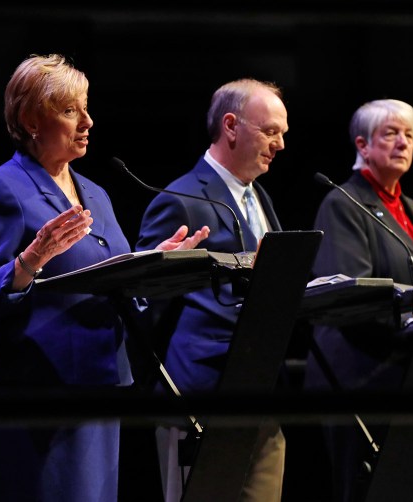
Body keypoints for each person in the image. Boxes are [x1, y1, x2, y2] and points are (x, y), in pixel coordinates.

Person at [0, 53, 208, 502]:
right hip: (34, 393)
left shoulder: (96, 193)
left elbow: (110, 280)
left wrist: (153, 267)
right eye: (71, 110)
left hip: (99, 383)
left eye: (87, 108)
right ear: (31, 119)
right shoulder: (0, 188)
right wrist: (31, 259)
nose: (89, 122)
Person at [135, 78, 288, 502]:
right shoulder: (180, 199)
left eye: (283, 134)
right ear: (231, 126)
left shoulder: (262, 199)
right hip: (198, 400)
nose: (280, 145)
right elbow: (142, 301)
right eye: (270, 131)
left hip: (261, 393)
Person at [303, 99, 413, 502]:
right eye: (391, 133)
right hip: (365, 379)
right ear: (363, 145)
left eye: (410, 135)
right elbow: (352, 293)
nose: (403, 143)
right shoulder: (343, 203)